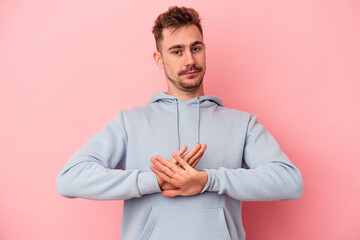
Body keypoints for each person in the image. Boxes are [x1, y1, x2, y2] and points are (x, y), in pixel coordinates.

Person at [56, 6, 303, 240]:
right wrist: (154, 181)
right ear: (159, 58)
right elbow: (69, 179)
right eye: (177, 51)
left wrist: (208, 180)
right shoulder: (130, 122)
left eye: (195, 48)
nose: (189, 60)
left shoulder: (243, 124)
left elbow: (290, 182)